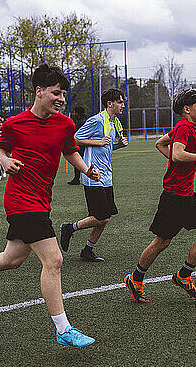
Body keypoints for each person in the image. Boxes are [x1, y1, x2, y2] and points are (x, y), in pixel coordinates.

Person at [0, 63, 100, 348]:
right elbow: (0, 149)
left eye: (64, 94)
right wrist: (3, 160)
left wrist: (86, 169)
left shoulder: (65, 124)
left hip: (42, 198)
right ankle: (63, 329)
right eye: (56, 93)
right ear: (39, 91)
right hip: (21, 199)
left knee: (12, 259)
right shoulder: (15, 123)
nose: (62, 99)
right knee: (54, 260)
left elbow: (70, 150)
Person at [124, 88, 196, 303]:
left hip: (188, 196)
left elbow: (160, 143)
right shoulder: (185, 127)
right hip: (174, 198)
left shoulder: (184, 126)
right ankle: (135, 279)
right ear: (186, 109)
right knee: (161, 243)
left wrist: (177, 162)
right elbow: (177, 154)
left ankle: (183, 276)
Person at [59, 88, 128, 262]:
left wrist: (118, 145)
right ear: (109, 103)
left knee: (105, 218)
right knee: (101, 217)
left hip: (107, 176)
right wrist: (97, 141)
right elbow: (75, 138)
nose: (123, 105)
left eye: (123, 102)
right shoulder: (97, 120)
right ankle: (70, 228)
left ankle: (87, 250)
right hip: (93, 175)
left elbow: (106, 146)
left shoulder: (114, 123)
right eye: (120, 102)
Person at [67, 106, 87, 185]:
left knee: (78, 162)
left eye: (75, 112)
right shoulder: (83, 120)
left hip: (81, 145)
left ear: (78, 113)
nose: (74, 114)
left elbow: (76, 133)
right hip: (82, 144)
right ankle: (76, 178)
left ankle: (77, 179)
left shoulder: (81, 122)